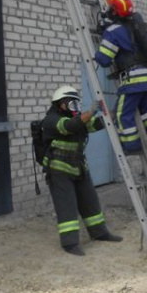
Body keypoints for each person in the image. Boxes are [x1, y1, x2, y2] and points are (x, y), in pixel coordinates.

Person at [41, 85, 123, 255]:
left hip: (79, 167)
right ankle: (70, 244)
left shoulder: (78, 117)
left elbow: (97, 124)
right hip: (59, 171)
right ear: (59, 103)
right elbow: (69, 127)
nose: (74, 106)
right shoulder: (51, 119)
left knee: (90, 202)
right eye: (70, 102)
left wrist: (117, 110)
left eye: (76, 102)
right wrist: (90, 111)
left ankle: (100, 233)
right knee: (67, 206)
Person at [94, 0, 147, 153]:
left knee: (121, 115)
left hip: (134, 80)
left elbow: (104, 60)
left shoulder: (113, 31)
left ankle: (131, 146)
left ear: (113, 11)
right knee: (144, 108)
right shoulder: (138, 26)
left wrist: (100, 46)